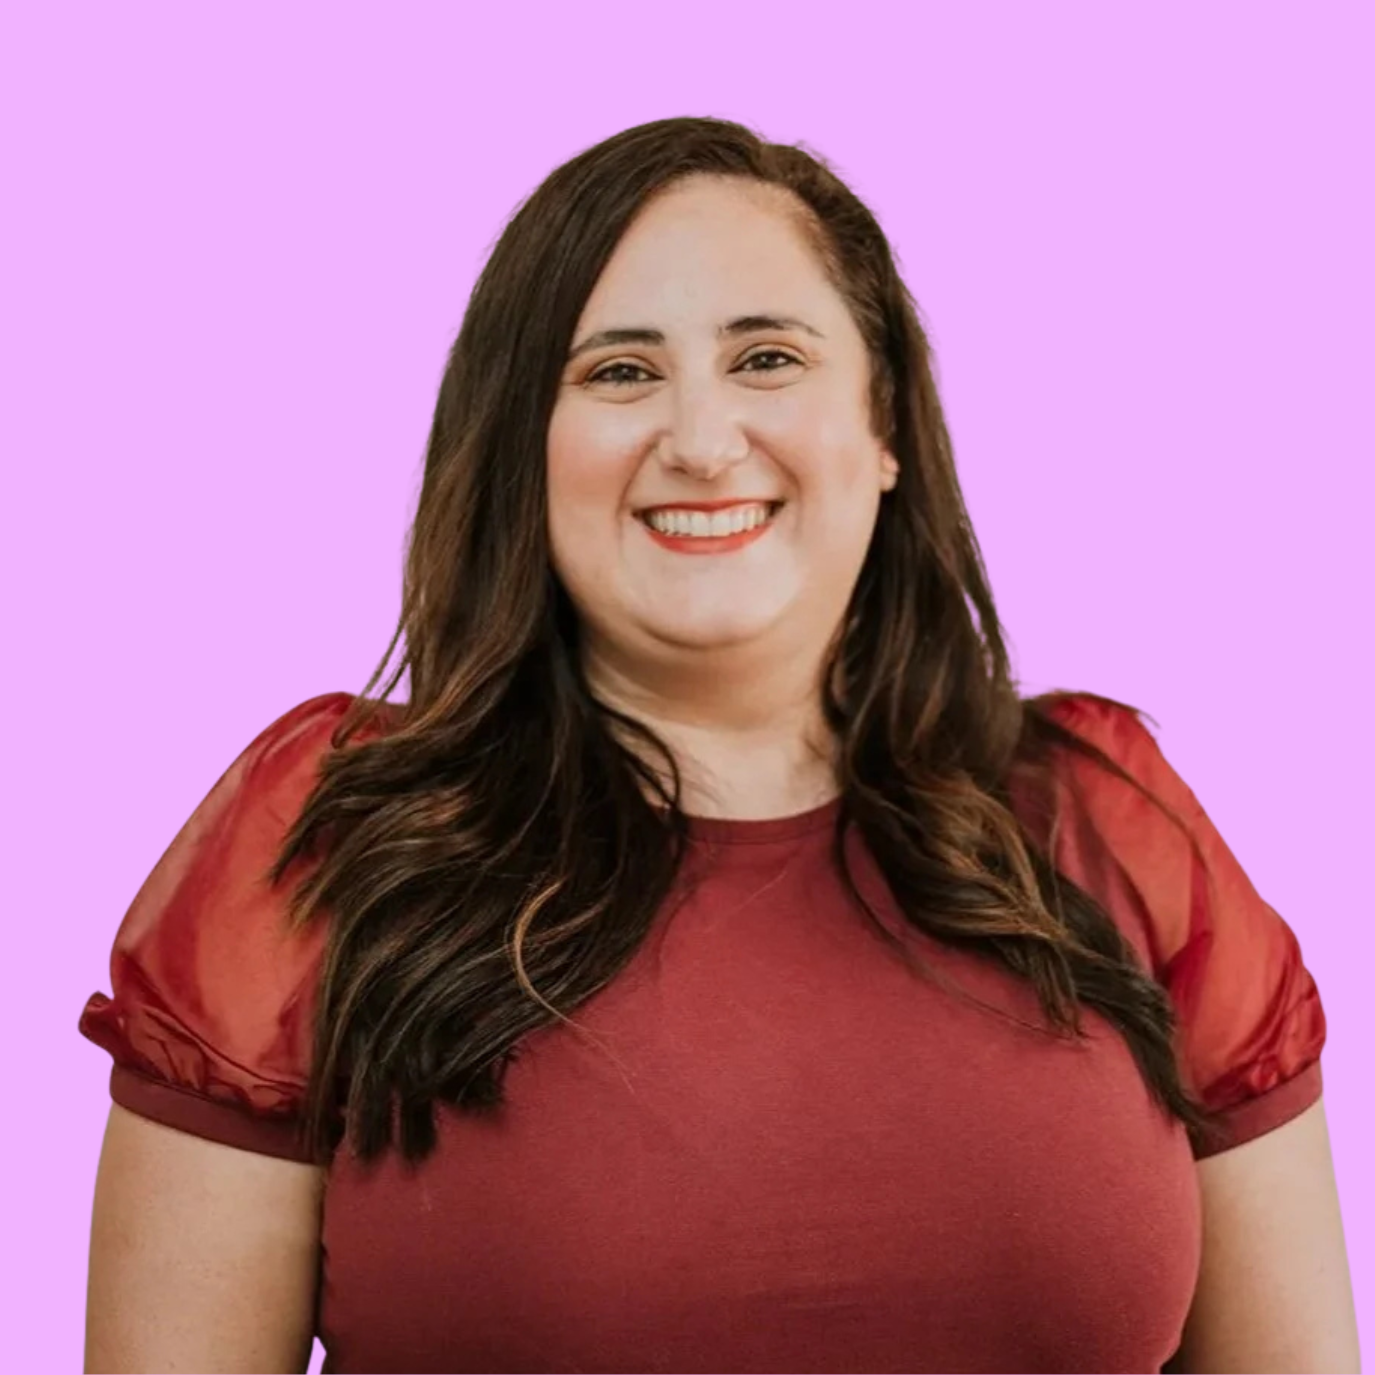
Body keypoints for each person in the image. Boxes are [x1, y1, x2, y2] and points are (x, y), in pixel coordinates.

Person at [79, 117, 1360, 1374]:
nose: (699, 443)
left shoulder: (1109, 823)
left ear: (885, 430)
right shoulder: (328, 840)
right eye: (618, 373)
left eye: (766, 359)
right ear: (526, 446)